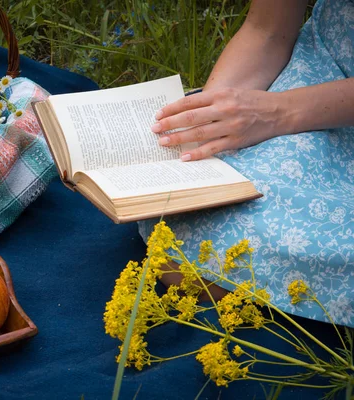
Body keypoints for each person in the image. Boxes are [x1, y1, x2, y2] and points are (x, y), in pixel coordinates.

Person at [138, 0, 354, 326]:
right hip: (325, 70)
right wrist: (209, 122)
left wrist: (277, 112)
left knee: (219, 254)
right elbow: (266, 29)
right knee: (186, 225)